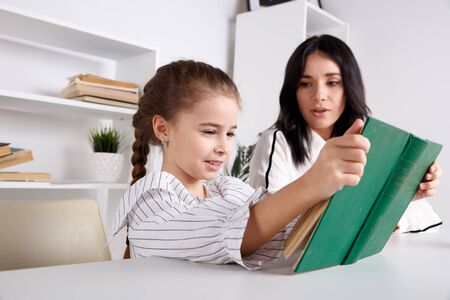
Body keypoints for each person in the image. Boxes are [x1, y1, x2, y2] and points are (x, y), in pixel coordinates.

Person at [108, 59, 370, 270]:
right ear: (163, 129)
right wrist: (312, 183)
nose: (224, 146)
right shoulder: (149, 202)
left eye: (230, 133)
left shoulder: (229, 189)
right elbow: (228, 232)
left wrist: (376, 195)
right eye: (209, 131)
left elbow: (287, 231)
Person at [249, 35, 442, 233]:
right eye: (306, 84)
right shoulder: (276, 141)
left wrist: (404, 196)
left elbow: (427, 219)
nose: (319, 96)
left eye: (332, 82)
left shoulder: (364, 143)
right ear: (293, 91)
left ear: (349, 87)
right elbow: (264, 225)